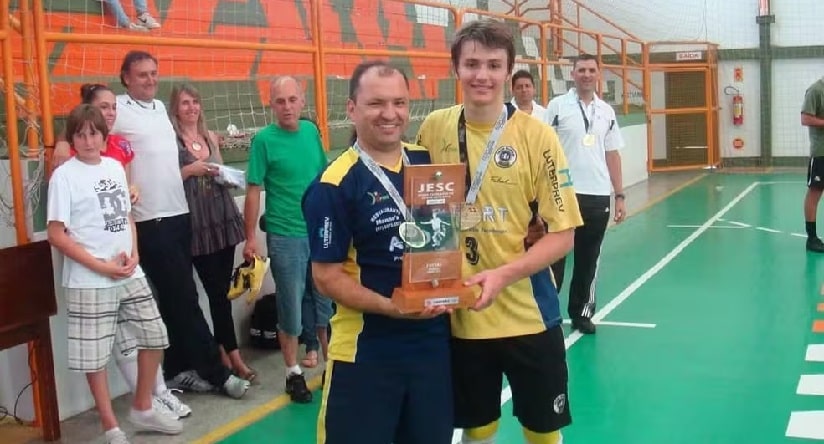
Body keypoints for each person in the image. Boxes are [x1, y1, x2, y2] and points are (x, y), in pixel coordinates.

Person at [415, 19, 583, 444]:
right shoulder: (433, 128)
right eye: (472, 64)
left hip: (528, 314)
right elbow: (422, 212)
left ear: (509, 72)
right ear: (456, 69)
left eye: (493, 65)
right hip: (461, 317)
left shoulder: (537, 136)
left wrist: (503, 275)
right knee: (477, 427)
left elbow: (563, 235)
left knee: (542, 431)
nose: (482, 75)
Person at [304, 60, 453, 444]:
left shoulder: (425, 161)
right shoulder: (334, 184)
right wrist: (393, 306)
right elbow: (325, 277)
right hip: (367, 352)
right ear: (352, 109)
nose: (390, 114)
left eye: (399, 103)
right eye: (376, 104)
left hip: (432, 345)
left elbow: (442, 237)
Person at [52, 83, 190, 419]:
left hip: (128, 270)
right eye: (81, 135)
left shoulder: (115, 165)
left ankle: (145, 403)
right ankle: (111, 425)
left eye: (94, 134)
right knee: (96, 356)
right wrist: (100, 266)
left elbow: (125, 213)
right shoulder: (64, 175)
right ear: (73, 138)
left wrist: (134, 253)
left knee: (153, 336)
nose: (88, 140)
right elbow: (57, 234)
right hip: (90, 278)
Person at [243, 75, 330, 403]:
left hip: (319, 233)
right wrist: (250, 237)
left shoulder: (310, 132)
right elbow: (253, 189)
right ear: (271, 104)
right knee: (290, 307)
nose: (287, 107)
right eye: (280, 101)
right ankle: (293, 373)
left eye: (292, 100)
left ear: (302, 100)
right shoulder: (264, 141)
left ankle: (332, 365)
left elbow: (324, 179)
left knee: (325, 302)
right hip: (285, 236)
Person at [169, 83, 256, 382]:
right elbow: (166, 179)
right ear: (175, 108)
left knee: (222, 293)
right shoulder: (172, 140)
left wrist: (223, 173)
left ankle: (227, 352)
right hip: (196, 223)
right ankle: (228, 354)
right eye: (185, 103)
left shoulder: (208, 136)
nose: (191, 107)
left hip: (221, 216)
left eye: (195, 102)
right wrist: (190, 171)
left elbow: (220, 171)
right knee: (214, 293)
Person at [545, 54, 626, 334]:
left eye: (592, 70)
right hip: (562, 194)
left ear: (598, 74)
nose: (586, 75)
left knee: (588, 259)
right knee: (554, 257)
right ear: (573, 73)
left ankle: (581, 313)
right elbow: (543, 150)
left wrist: (620, 195)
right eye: (581, 70)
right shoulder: (557, 107)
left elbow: (613, 154)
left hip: (597, 196)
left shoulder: (606, 112)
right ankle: (547, 312)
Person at [802, 76, 824, 253]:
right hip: (821, 152)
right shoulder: (816, 90)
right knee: (815, 192)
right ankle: (812, 238)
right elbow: (806, 119)